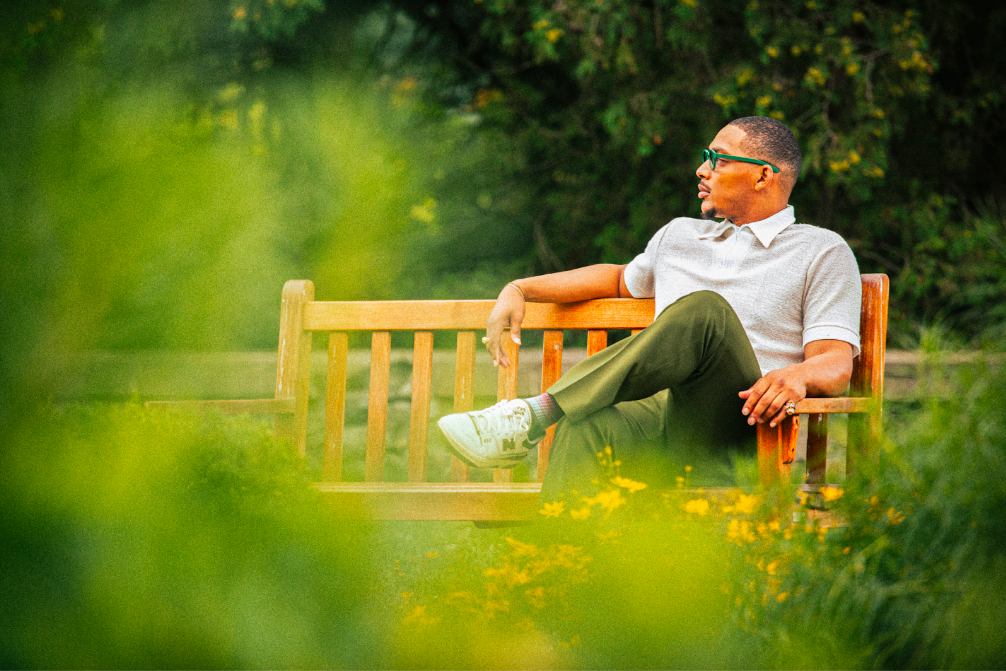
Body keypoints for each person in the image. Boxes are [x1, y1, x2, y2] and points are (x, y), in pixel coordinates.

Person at [437, 116, 862, 499]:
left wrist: (798, 376)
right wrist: (520, 289)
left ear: (763, 176)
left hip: (743, 425)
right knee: (585, 425)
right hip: (662, 417)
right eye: (705, 158)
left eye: (718, 160)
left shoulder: (820, 251)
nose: (702, 169)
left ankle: (535, 413)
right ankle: (555, 573)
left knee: (705, 313)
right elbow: (615, 279)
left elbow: (835, 364)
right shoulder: (680, 236)